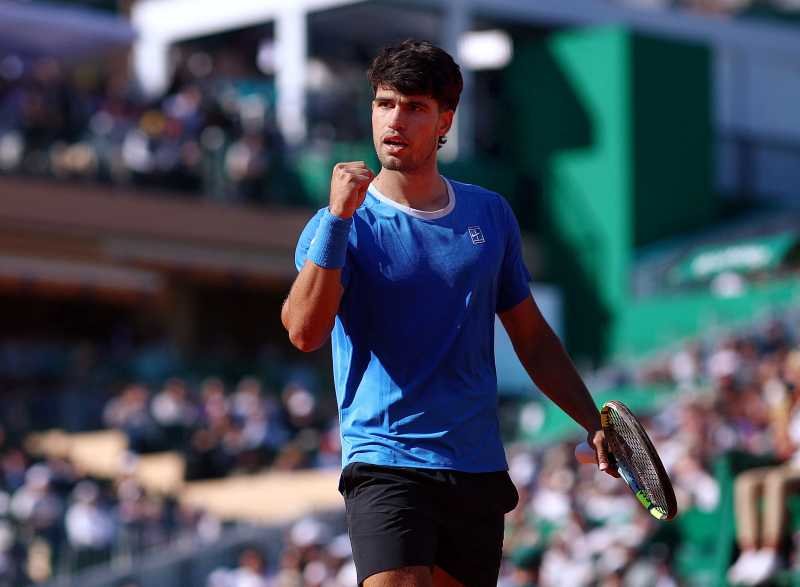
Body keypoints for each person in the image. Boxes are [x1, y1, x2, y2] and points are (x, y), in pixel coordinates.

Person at [281, 39, 616, 587]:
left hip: (475, 467)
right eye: (385, 103)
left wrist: (590, 419)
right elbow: (303, 331)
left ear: (445, 121)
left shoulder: (491, 214)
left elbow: (531, 337)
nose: (395, 119)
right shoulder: (338, 225)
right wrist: (339, 219)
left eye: (414, 107)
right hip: (385, 461)